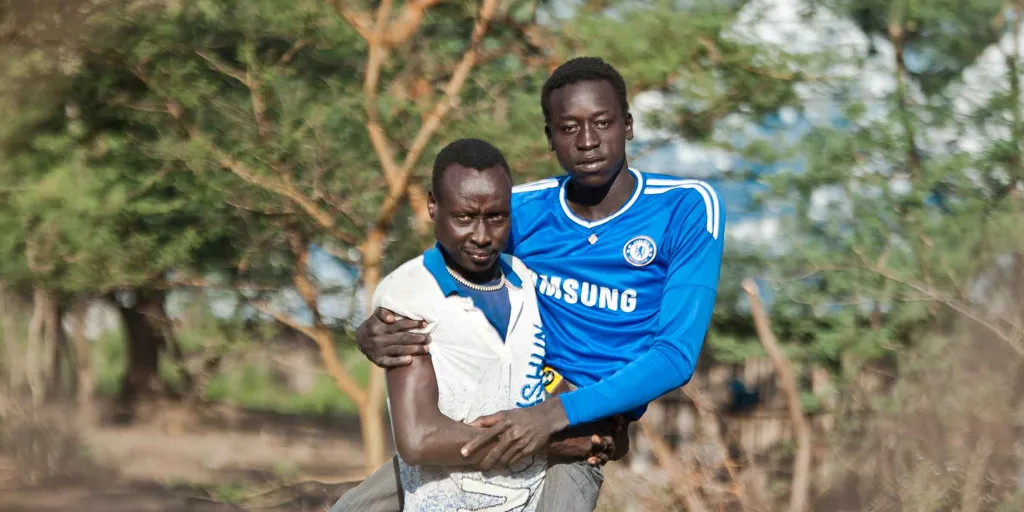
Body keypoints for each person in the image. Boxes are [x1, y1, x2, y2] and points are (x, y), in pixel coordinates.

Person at [342, 56, 725, 511]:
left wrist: (555, 414)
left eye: (602, 122)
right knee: (354, 508)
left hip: (580, 425)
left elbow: (675, 356)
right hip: (495, 406)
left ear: (628, 125)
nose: (587, 141)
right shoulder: (519, 209)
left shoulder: (684, 208)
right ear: (549, 137)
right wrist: (376, 330)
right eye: (569, 127)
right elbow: (442, 273)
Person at [330, 138, 625, 512]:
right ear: (433, 206)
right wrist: (550, 441)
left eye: (497, 217)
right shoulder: (410, 298)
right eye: (464, 218)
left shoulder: (526, 279)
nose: (483, 237)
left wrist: (582, 421)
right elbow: (419, 440)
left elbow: (549, 375)